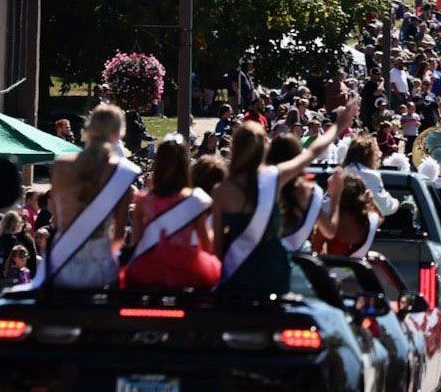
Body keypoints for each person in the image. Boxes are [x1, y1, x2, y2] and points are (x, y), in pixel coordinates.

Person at [211, 119, 337, 294]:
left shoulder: (221, 190)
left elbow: (217, 248)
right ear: (263, 149)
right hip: (274, 275)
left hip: (236, 277)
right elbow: (312, 152)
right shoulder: (274, 178)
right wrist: (338, 126)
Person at [44, 104, 139, 288]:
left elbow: (55, 216)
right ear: (119, 133)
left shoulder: (61, 165)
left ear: (89, 128)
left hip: (61, 262)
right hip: (100, 266)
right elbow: (118, 237)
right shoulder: (121, 171)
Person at [124, 136, 221, 290]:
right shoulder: (195, 200)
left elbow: (136, 243)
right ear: (185, 166)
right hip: (187, 270)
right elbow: (207, 247)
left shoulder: (142, 200)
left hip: (148, 270)